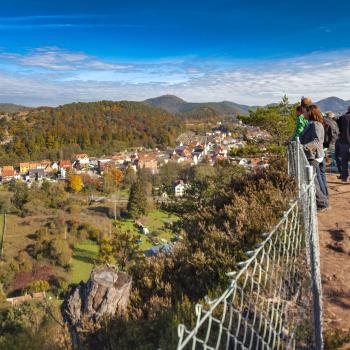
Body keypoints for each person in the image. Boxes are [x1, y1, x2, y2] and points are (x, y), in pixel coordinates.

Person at [299, 104, 329, 210]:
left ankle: (322, 203)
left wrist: (303, 147)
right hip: (313, 155)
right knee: (314, 180)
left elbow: (316, 141)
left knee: (313, 181)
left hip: (314, 156)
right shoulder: (311, 123)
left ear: (310, 112)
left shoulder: (315, 124)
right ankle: (321, 202)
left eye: (305, 112)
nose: (303, 114)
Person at [336, 106, 350, 182]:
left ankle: (344, 177)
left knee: (344, 160)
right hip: (344, 141)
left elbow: (338, 129)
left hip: (344, 142)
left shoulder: (342, 117)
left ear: (348, 110)